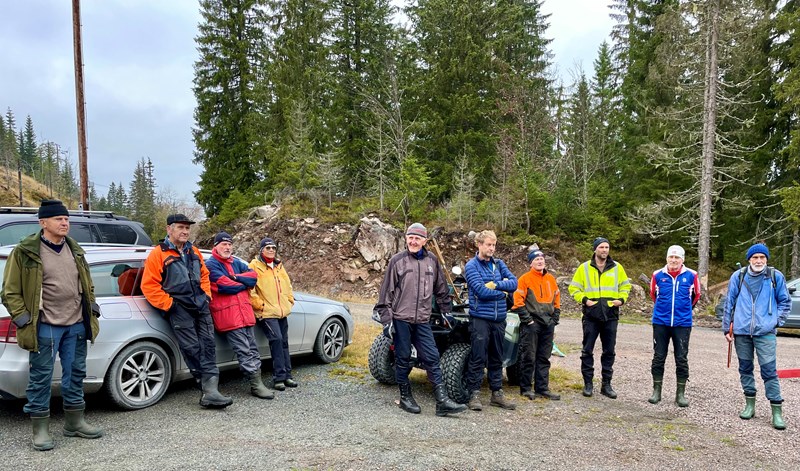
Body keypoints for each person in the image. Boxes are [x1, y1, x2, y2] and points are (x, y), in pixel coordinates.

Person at [1, 199, 103, 451]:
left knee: (76, 374)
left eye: (66, 219)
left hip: (76, 324)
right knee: (41, 378)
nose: (65, 223)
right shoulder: (25, 252)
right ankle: (40, 430)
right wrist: (24, 319)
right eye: (59, 219)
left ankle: (74, 422)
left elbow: (86, 283)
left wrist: (92, 306)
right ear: (43, 222)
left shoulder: (75, 249)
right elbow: (9, 292)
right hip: (45, 324)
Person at [141, 214, 233, 409]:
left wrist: (206, 296)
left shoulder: (193, 251)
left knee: (208, 344)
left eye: (187, 228)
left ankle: (211, 391)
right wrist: (170, 305)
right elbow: (149, 286)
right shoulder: (159, 254)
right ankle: (208, 389)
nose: (185, 232)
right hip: (179, 307)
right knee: (191, 347)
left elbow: (205, 275)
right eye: (181, 227)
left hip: (201, 306)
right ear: (169, 229)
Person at [375, 223, 467, 416]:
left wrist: (446, 311)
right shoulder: (397, 261)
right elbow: (386, 293)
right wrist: (387, 320)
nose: (413, 241)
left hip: (422, 320)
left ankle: (442, 402)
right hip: (401, 319)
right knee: (403, 358)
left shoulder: (432, 261)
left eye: (417, 238)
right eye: (410, 237)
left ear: (424, 241)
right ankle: (405, 397)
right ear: (406, 238)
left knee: (432, 357)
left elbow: (441, 289)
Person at [723, 243, 790, 430]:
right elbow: (730, 302)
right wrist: (726, 329)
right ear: (749, 259)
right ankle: (749, 405)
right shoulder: (739, 276)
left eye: (762, 257)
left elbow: (785, 301)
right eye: (755, 258)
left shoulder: (775, 277)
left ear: (766, 259)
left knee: (769, 371)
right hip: (742, 332)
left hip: (765, 333)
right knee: (745, 368)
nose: (759, 261)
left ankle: (777, 412)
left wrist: (776, 321)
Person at [206, 231, 273, 399]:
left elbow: (253, 277)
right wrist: (242, 283)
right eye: (224, 244)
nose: (227, 247)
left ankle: (257, 382)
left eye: (229, 244)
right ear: (216, 246)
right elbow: (224, 286)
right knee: (244, 351)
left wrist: (235, 278)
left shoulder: (236, 262)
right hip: (228, 316)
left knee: (253, 349)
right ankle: (256, 385)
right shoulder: (211, 264)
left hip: (244, 313)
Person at [568, 237, 631, 399]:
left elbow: (625, 285)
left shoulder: (617, 267)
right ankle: (588, 384)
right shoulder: (584, 268)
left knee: (609, 351)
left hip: (610, 315)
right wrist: (584, 300)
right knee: (587, 350)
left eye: (607, 247)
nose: (604, 250)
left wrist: (621, 299)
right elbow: (573, 287)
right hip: (591, 316)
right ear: (595, 249)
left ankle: (606, 384)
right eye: (601, 247)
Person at [464, 230, 518, 411]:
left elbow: (514, 283)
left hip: (499, 319)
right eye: (488, 244)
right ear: (479, 244)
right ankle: (474, 394)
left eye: (494, 245)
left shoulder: (499, 264)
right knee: (478, 357)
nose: (492, 248)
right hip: (480, 318)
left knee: (497, 357)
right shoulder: (471, 266)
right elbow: (480, 291)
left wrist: (496, 285)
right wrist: (502, 294)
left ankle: (497, 393)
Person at [648, 245, 700, 407]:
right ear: (667, 258)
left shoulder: (692, 275)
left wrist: (682, 311)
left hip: (682, 323)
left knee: (681, 358)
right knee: (658, 357)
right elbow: (653, 295)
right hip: (660, 322)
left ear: (682, 260)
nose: (674, 260)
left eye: (677, 257)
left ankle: (680, 394)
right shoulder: (657, 275)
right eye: (671, 257)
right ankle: (656, 391)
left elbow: (696, 296)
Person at [249, 237, 298, 391]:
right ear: (261, 249)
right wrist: (260, 306)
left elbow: (287, 285)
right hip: (267, 312)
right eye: (267, 247)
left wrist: (289, 300)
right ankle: (279, 378)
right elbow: (250, 290)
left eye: (273, 248)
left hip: (282, 311)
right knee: (276, 341)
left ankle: (288, 376)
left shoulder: (279, 266)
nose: (271, 250)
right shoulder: (254, 266)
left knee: (284, 342)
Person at [512, 248, 561, 401]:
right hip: (532, 323)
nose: (540, 261)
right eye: (536, 259)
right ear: (531, 263)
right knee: (529, 357)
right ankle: (526, 388)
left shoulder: (551, 279)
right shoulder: (524, 279)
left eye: (541, 259)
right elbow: (518, 301)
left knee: (544, 357)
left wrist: (555, 317)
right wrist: (528, 320)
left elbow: (557, 299)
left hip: (548, 323)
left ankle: (542, 388)